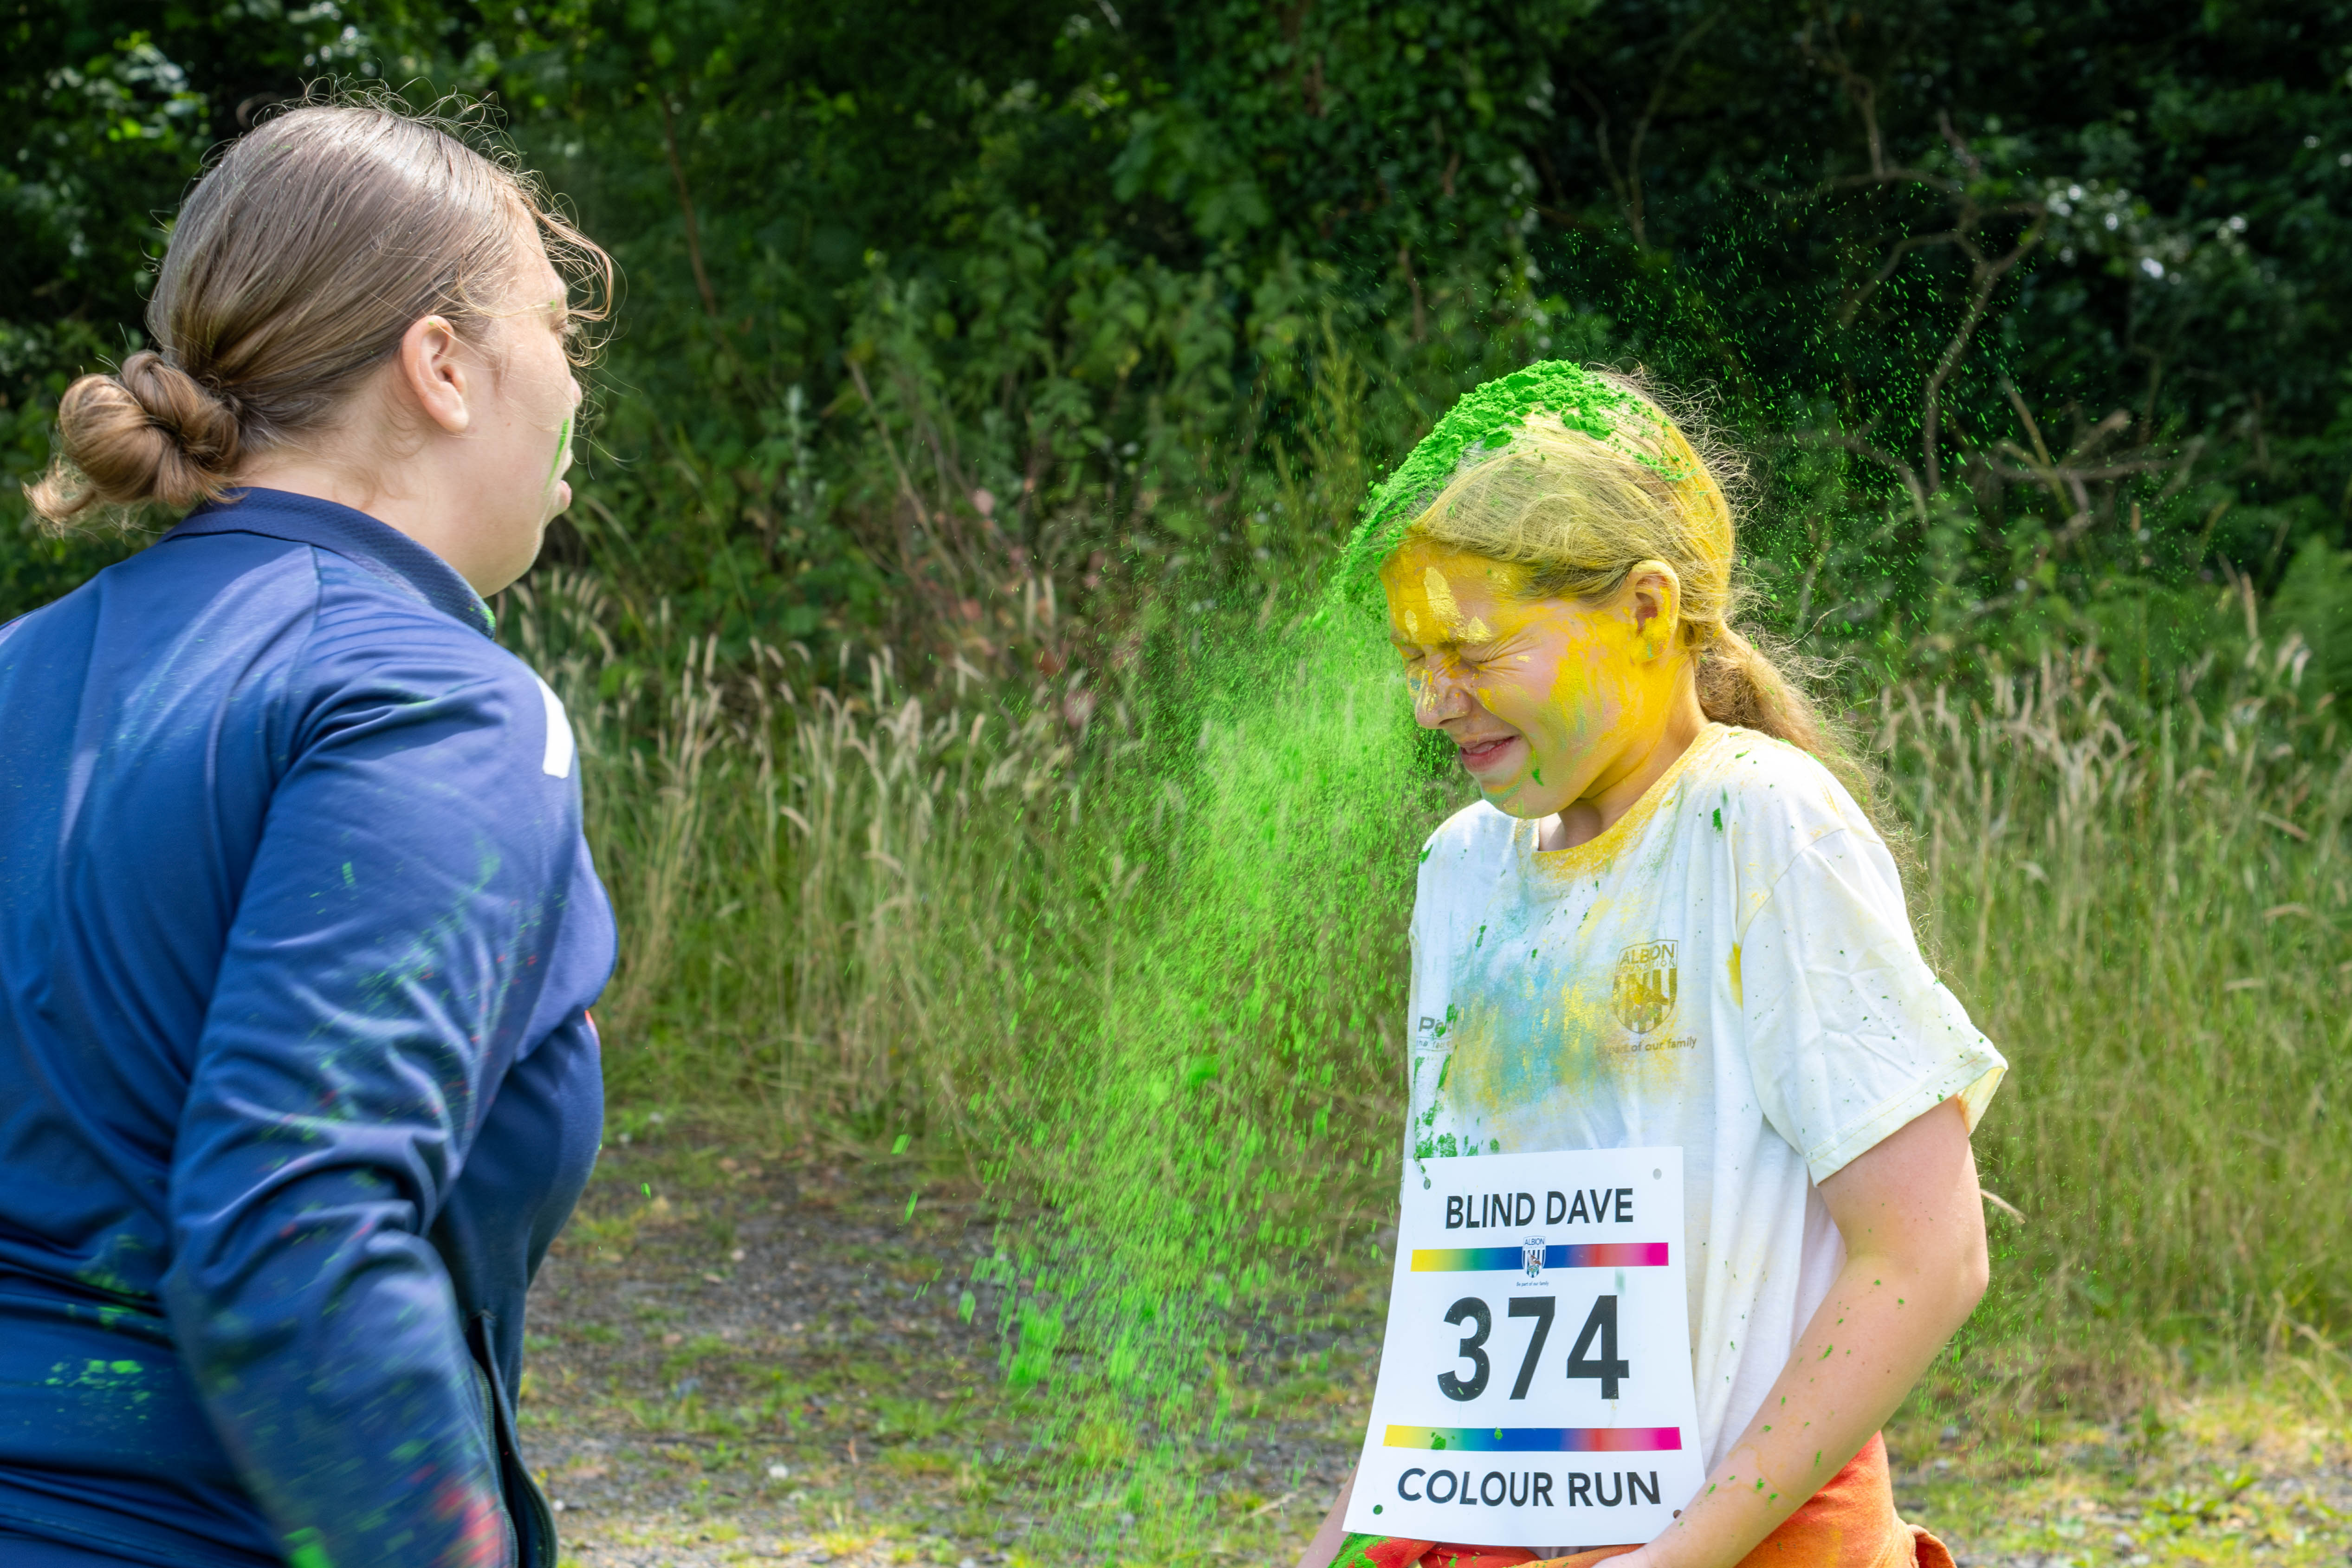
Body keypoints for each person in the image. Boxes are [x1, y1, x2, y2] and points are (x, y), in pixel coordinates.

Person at [0, 97, 616, 1568]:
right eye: (554, 326)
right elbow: (296, 1236)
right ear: (443, 365)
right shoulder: (435, 701)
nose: (578, 379)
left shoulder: (20, 667)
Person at [1297, 364, 2006, 1568]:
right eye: (1411, 657)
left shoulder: (1761, 826)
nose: (1431, 701)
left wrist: (1670, 1557)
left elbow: (1926, 1253)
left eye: (1470, 649)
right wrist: (1345, 1540)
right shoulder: (1461, 871)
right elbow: (1475, 1288)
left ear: (1641, 608)